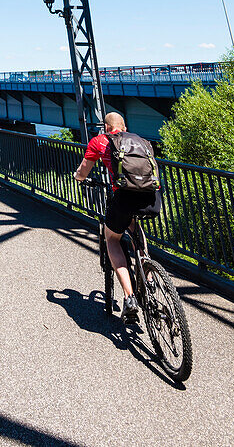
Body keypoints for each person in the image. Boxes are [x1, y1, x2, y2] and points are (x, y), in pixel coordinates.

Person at [74, 112, 160, 323]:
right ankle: (148, 276)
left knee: (112, 238)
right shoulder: (141, 140)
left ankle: (130, 297)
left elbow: (84, 170)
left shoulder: (100, 141)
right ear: (125, 126)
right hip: (151, 197)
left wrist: (77, 177)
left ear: (106, 127)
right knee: (136, 230)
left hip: (124, 197)